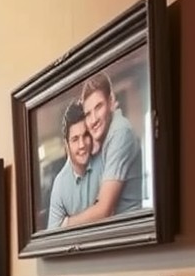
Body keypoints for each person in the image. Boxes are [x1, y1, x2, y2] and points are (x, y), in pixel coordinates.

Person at [60, 72, 144, 226]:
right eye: (88, 114)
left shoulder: (120, 132)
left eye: (98, 107)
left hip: (130, 235)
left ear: (111, 101)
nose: (93, 120)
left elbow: (103, 210)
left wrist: (65, 224)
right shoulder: (106, 136)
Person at [47, 100, 100, 229]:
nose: (82, 145)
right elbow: (53, 236)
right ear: (66, 145)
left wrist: (67, 223)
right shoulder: (60, 185)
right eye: (75, 139)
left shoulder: (104, 162)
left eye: (85, 135)